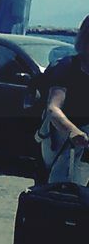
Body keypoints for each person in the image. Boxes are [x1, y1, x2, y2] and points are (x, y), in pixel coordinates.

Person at [44, 14, 89, 185]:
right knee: (62, 191)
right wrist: (72, 130)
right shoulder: (67, 67)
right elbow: (53, 108)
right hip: (66, 144)